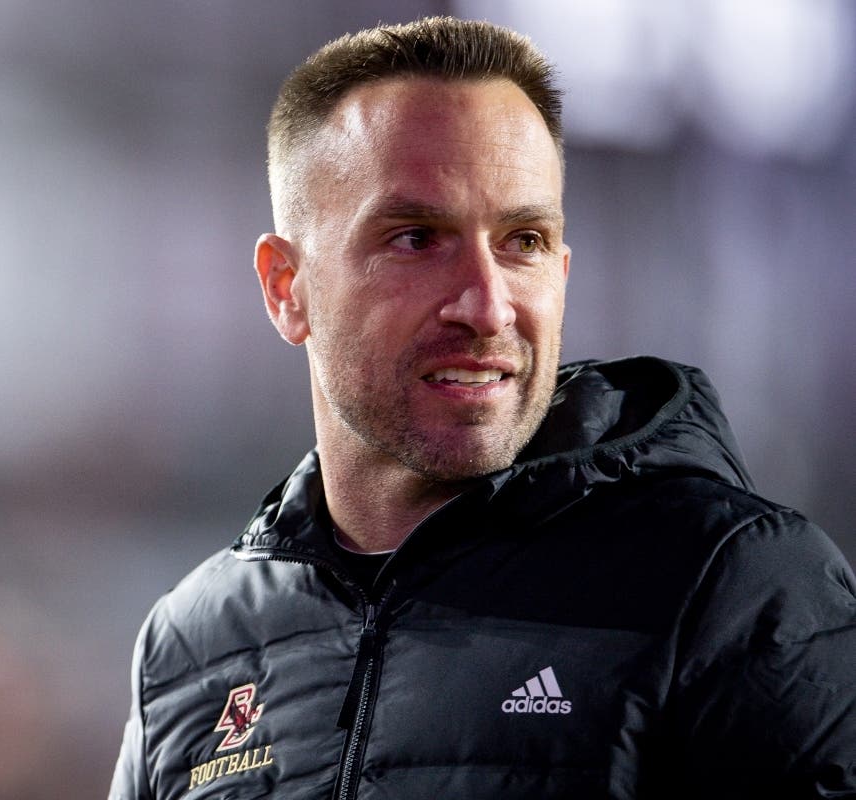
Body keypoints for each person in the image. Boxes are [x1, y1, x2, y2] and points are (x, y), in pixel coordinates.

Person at [110, 17, 855, 799]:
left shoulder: (733, 585)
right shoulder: (193, 643)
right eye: (415, 238)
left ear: (561, 272)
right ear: (285, 288)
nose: (487, 305)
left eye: (522, 240)